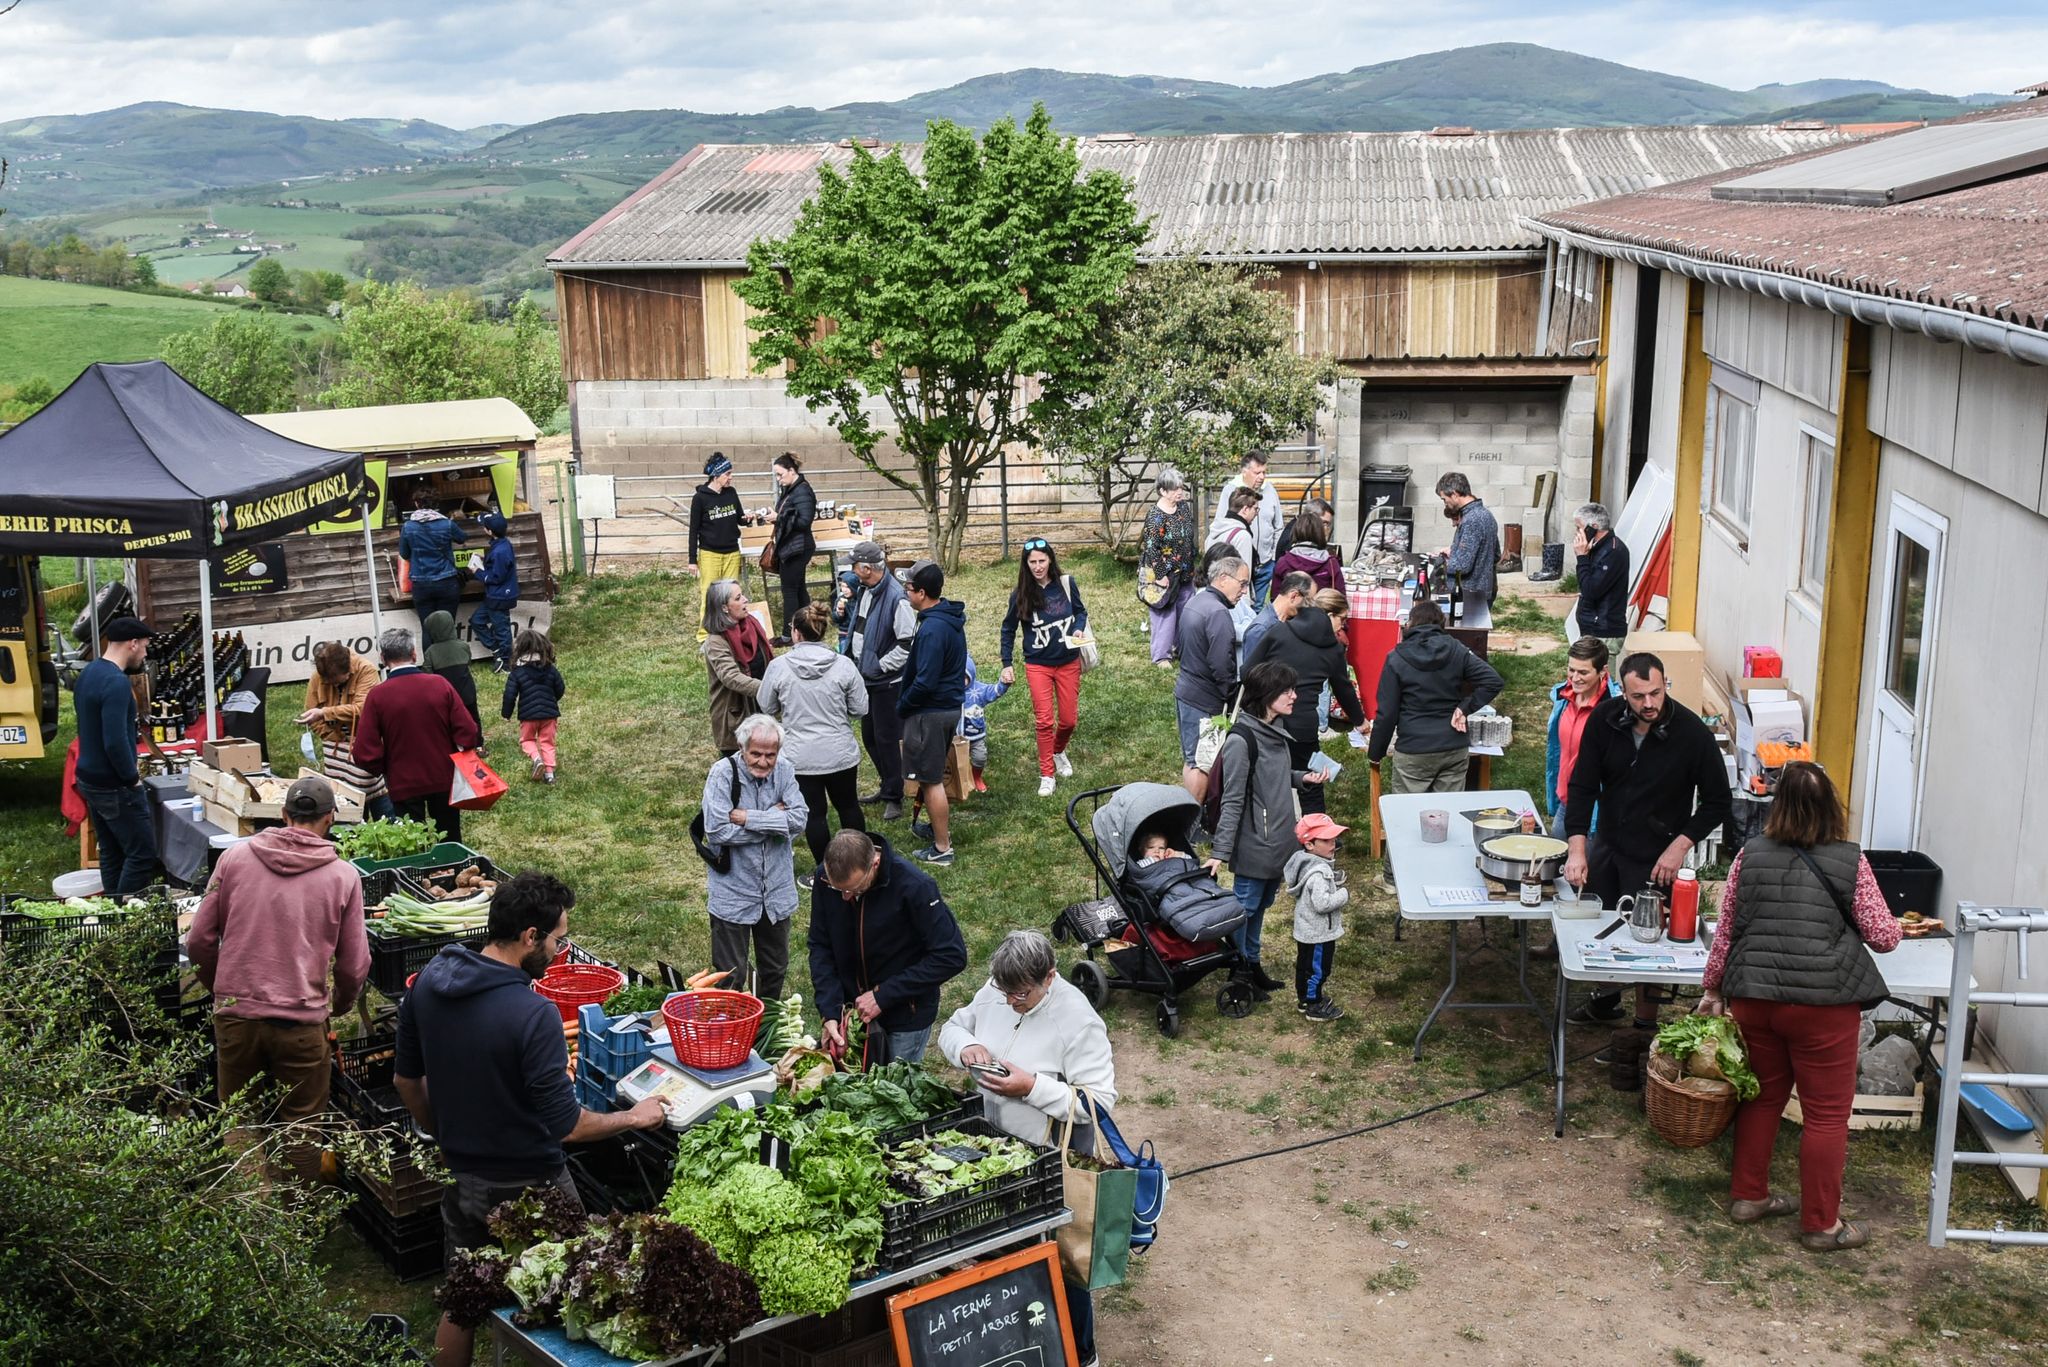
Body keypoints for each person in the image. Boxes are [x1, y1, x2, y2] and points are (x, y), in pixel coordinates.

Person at [394, 871, 667, 1367]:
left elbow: (406, 1082)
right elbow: (570, 1127)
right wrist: (633, 1116)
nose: (562, 950)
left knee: (463, 1300)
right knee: (581, 1298)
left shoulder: (433, 979)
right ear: (529, 937)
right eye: (559, 939)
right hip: (531, 1183)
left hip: (460, 1174)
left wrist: (441, 1129)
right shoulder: (531, 1013)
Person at [1697, 762, 1900, 1252]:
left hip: (1755, 999)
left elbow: (1727, 931)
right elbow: (1885, 936)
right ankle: (1821, 1225)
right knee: (1827, 1116)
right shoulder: (1851, 861)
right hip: (1823, 1006)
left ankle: (1748, 1196)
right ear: (1831, 805)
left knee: (1762, 1098)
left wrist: (1712, 990)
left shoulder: (1749, 856)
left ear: (1778, 805)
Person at [939, 929, 1116, 1367]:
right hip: (992, 1150)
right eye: (1004, 991)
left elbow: (1097, 1102)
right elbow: (953, 1028)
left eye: (1021, 994)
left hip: (1048, 1158)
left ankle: (1082, 1352)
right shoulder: (997, 989)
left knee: (1060, 1259)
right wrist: (968, 1048)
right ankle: (1020, 1342)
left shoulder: (1078, 1020)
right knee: (1001, 1251)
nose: (1010, 1001)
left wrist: (1032, 1087)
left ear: (1049, 978)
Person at [187, 775, 368, 1182]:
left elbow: (198, 940)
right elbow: (355, 965)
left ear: (284, 815)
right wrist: (337, 1005)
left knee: (242, 1121)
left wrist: (225, 989)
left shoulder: (233, 860)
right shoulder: (343, 877)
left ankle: (252, 1219)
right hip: (301, 1024)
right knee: (300, 1130)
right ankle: (294, 1222)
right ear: (330, 820)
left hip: (236, 1019)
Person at [1562, 652, 1732, 1032]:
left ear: (1665, 684)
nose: (1649, 704)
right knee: (1602, 924)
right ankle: (1604, 1001)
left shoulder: (1691, 734)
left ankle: (1644, 1024)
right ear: (1623, 691)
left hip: (1658, 852)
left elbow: (1718, 801)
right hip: (1608, 841)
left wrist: (1680, 846)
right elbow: (1582, 785)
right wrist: (1578, 847)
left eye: (1656, 693)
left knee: (1650, 941)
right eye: (1639, 697)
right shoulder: (1605, 722)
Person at [1207, 661, 1326, 998]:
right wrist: (1219, 852)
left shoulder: (1276, 730)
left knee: (1260, 907)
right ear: (1266, 696)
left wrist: (1302, 778)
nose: (1294, 696)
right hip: (1255, 843)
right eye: (1286, 691)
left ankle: (1251, 961)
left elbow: (1273, 777)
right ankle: (1239, 969)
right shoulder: (1241, 741)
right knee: (1244, 909)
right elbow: (1232, 801)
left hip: (1280, 840)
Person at [810, 830, 969, 1066]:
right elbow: (820, 946)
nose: (845, 897)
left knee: (894, 1092)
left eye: (855, 889)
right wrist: (830, 1011)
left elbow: (951, 956)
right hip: (852, 1014)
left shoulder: (915, 886)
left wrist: (883, 996)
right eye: (838, 889)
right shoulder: (825, 879)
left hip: (906, 1015)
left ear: (875, 863)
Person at [758, 603, 868, 883]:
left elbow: (765, 704)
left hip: (801, 757)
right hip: (840, 752)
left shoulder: (779, 667)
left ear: (795, 633)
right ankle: (862, 865)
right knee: (848, 806)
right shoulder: (844, 665)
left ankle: (826, 872)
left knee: (814, 815)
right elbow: (860, 708)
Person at [701, 715, 806, 998]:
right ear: (742, 747)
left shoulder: (784, 770)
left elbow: (799, 820)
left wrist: (749, 818)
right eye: (755, 754)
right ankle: (732, 1033)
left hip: (776, 893)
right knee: (729, 976)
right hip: (733, 891)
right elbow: (717, 831)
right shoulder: (722, 773)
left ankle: (764, 1029)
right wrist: (774, 822)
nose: (763, 762)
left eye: (770, 755)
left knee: (774, 969)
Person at [1246, 587, 1369, 814]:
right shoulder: (1334, 648)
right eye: (1342, 619)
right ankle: (1318, 838)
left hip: (1269, 720)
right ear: (1329, 615)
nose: (1343, 625)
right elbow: (1343, 689)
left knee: (1265, 777)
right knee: (1311, 782)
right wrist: (1360, 721)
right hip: (1304, 725)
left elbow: (1247, 670)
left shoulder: (1279, 632)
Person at [353, 626, 482, 843]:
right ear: (414, 653)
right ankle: (456, 872)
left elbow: (364, 750)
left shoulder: (377, 696)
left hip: (403, 781)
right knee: (450, 837)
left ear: (383, 658)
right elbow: (468, 731)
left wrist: (385, 768)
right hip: (443, 776)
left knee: (412, 842)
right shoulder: (440, 684)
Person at [1366, 600, 1503, 794]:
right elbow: (1493, 681)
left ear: (1411, 623)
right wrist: (1465, 707)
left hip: (1414, 748)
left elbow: (1387, 713)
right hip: (1452, 746)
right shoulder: (1458, 650)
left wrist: (1376, 752)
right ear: (1442, 624)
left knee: (1408, 815)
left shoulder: (1396, 658)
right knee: (1448, 814)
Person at [72, 616, 159, 895]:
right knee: (142, 855)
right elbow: (115, 741)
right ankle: (126, 916)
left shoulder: (89, 673)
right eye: (144, 646)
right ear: (132, 644)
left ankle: (112, 914)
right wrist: (132, 778)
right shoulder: (117, 683)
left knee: (112, 851)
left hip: (89, 776)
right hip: (114, 783)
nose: (145, 653)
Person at [1000, 538, 1089, 799]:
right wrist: (1007, 663)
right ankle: (1047, 774)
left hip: (1068, 661)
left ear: (1050, 560)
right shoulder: (1020, 595)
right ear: (1025, 565)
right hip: (1037, 664)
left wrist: (1078, 627)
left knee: (1069, 720)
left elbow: (1080, 612)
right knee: (1044, 721)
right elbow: (1008, 629)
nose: (1038, 566)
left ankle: (1058, 750)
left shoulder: (1066, 584)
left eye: (1042, 560)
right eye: (1032, 562)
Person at [897, 561, 967, 865]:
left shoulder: (933, 630)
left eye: (909, 588)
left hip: (930, 712)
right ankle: (938, 831)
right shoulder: (946, 618)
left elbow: (925, 681)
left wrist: (904, 705)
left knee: (930, 779)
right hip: (948, 708)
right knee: (932, 775)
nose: (906, 593)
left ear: (922, 593)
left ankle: (942, 848)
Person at [846, 542, 917, 821]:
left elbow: (907, 643)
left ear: (866, 568)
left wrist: (879, 666)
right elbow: (862, 627)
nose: (851, 569)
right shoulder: (866, 589)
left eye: (854, 565)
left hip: (887, 683)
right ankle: (888, 783)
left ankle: (895, 796)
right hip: (867, 679)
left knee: (888, 739)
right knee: (871, 737)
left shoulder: (897, 598)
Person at [1174, 555, 1248, 798]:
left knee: (1192, 758)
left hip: (1188, 690)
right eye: (1242, 583)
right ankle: (1193, 821)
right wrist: (1232, 691)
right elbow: (1221, 663)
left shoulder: (1197, 601)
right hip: (1203, 699)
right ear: (1224, 579)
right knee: (1201, 762)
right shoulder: (1218, 613)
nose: (1244, 591)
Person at [299, 641, 395, 821]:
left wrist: (324, 713)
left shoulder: (366, 670)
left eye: (335, 680)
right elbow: (310, 711)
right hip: (337, 757)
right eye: (327, 681)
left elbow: (362, 709)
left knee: (383, 807)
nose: (331, 684)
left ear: (347, 670)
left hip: (366, 748)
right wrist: (330, 736)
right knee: (348, 813)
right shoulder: (319, 676)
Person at [1544, 638, 1620, 839]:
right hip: (1565, 802)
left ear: (1602, 671)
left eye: (1583, 672)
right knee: (1554, 864)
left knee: (1587, 868)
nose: (1575, 678)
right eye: (1571, 670)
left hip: (1596, 811)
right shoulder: (1564, 697)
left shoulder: (1612, 711)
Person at [1285, 813, 1350, 1023]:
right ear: (1310, 844)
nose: (1333, 844)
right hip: (1318, 934)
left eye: (1333, 839)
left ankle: (1304, 999)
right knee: (1318, 970)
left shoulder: (1305, 862)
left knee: (1304, 966)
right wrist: (1343, 895)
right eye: (1326, 840)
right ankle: (1314, 1004)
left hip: (1306, 930)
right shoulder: (1319, 873)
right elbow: (1322, 904)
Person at [701, 579, 773, 758]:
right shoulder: (716, 641)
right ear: (725, 607)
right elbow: (730, 677)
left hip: (761, 707)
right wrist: (767, 689)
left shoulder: (753, 625)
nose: (746, 600)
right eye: (739, 597)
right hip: (736, 717)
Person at [1139, 467, 1198, 666]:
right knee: (1164, 612)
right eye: (1174, 489)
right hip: (1164, 573)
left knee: (1186, 610)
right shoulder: (1155, 516)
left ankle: (1182, 649)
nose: (1179, 492)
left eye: (1180, 487)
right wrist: (1160, 574)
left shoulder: (1183, 507)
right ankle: (1161, 656)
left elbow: (1189, 538)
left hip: (1185, 570)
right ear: (1163, 491)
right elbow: (1151, 547)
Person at [1209, 452, 1285, 606]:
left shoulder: (1270, 490)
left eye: (1264, 472)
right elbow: (1219, 525)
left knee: (1256, 608)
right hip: (1236, 566)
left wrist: (1273, 559)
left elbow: (1278, 527)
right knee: (1238, 607)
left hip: (1264, 563)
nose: (1262, 477)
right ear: (1244, 472)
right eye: (1257, 472)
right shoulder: (1230, 490)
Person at [687, 452, 745, 641]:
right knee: (709, 593)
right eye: (727, 474)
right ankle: (705, 635)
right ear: (716, 475)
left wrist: (749, 519)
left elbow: (740, 518)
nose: (730, 477)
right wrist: (692, 560)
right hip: (710, 553)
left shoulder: (732, 493)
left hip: (732, 552)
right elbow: (693, 531)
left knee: (732, 593)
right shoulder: (700, 498)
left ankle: (730, 629)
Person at [1434, 472, 1500, 631]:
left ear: (1455, 494)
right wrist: (1456, 551)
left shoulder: (1472, 521)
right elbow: (1496, 554)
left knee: (1464, 644)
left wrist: (1440, 562)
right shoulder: (1486, 514)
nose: (1445, 503)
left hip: (1468, 596)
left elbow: (1462, 566)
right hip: (1481, 592)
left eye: (1445, 499)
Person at [501, 629, 565, 784]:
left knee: (527, 740)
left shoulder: (517, 672)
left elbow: (510, 695)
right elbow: (560, 688)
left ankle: (537, 759)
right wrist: (552, 701)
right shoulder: (550, 669)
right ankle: (550, 775)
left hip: (528, 716)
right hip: (550, 714)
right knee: (547, 742)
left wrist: (506, 713)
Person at [400, 487, 468, 625]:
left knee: (428, 628)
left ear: (417, 504)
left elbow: (404, 554)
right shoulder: (447, 524)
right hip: (447, 581)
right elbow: (462, 538)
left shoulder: (408, 527)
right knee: (447, 628)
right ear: (436, 504)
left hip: (421, 584)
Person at [1572, 502, 1630, 663]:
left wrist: (1582, 557)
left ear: (1593, 527)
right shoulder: (1596, 548)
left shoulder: (1613, 552)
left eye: (1579, 528)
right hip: (1592, 629)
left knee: (1603, 684)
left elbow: (1591, 590)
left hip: (1604, 632)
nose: (1577, 533)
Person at [769, 453, 817, 644]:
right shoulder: (791, 489)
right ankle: (808, 628)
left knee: (790, 591)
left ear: (792, 471)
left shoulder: (802, 491)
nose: (779, 479)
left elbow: (805, 521)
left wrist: (777, 518)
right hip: (792, 547)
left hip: (797, 548)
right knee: (798, 589)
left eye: (780, 475)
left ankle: (789, 635)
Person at [421, 609, 483, 740]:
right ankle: (478, 743)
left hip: (444, 695)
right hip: (467, 691)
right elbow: (468, 661)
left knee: (447, 721)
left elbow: (427, 673)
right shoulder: (463, 646)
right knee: (473, 716)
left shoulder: (430, 652)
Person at [470, 511, 520, 671]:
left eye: (485, 527)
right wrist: (484, 560)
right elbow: (499, 566)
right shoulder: (501, 544)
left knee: (502, 630)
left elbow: (496, 577)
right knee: (476, 621)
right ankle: (497, 651)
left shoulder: (500, 551)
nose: (483, 528)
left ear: (490, 531)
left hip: (499, 597)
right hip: (494, 597)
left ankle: (506, 663)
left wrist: (477, 571)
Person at [957, 655, 1010, 795]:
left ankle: (976, 777)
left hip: (976, 736)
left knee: (979, 757)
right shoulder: (948, 691)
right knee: (953, 761)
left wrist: (1004, 683)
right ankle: (955, 781)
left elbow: (995, 691)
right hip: (954, 738)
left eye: (964, 676)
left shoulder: (979, 690)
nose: (960, 681)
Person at [1242, 570, 1312, 665]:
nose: (1310, 606)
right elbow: (1251, 672)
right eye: (1308, 601)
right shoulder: (1261, 629)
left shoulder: (1288, 622)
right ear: (1294, 596)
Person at [1272, 508, 1343, 595]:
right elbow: (1340, 596)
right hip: (1322, 607)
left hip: (1291, 608)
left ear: (1296, 531)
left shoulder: (1283, 562)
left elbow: (1275, 597)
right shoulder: (1331, 564)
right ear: (1320, 532)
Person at [1273, 497, 1336, 564]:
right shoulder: (1293, 537)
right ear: (1311, 517)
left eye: (1328, 524)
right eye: (1324, 523)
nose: (1326, 528)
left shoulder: (1299, 530)